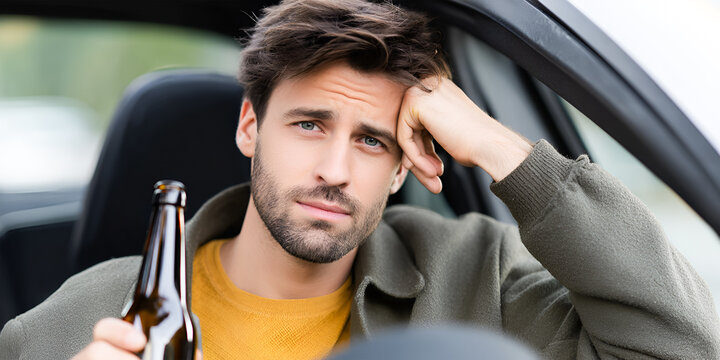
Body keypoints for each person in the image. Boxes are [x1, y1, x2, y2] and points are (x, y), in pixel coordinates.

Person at [1, 0, 719, 359]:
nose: (335, 171)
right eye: (309, 124)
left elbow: (684, 345)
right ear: (250, 127)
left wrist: (506, 151)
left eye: (372, 141)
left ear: (408, 159)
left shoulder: (479, 281)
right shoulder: (76, 319)